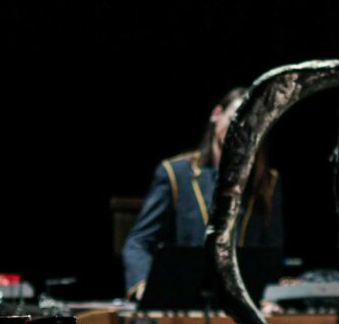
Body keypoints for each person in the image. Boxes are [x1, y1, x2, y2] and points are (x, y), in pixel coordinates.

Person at [120, 88, 283, 298]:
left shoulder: (267, 182)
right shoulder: (175, 173)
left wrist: (272, 295)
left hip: (244, 300)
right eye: (237, 117)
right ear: (216, 114)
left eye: (253, 123)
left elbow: (272, 250)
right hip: (184, 296)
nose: (243, 128)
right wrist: (143, 287)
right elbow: (139, 242)